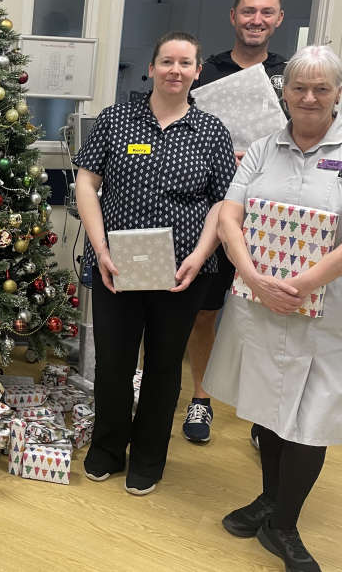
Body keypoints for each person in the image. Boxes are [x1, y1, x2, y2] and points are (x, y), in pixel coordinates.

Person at [204, 45, 342, 572]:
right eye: (299, 88)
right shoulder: (263, 148)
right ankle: (270, 499)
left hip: (331, 310)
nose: (309, 98)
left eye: (321, 88)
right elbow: (229, 217)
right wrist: (252, 276)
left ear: (338, 94)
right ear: (283, 92)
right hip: (263, 301)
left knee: (313, 419)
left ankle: (284, 525)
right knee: (268, 407)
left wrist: (300, 285)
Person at [73, 31, 235, 496]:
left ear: (197, 72)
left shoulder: (211, 132)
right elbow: (86, 183)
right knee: (114, 363)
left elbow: (223, 203)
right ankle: (107, 448)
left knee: (164, 368)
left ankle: (148, 458)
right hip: (116, 269)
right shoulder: (116, 120)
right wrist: (100, 248)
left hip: (182, 274)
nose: (175, 70)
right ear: (151, 68)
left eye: (185, 63)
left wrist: (201, 255)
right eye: (167, 61)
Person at [182, 0, 288, 444]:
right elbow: (181, 134)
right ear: (233, 16)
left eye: (266, 12)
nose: (256, 20)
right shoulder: (205, 73)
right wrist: (224, 157)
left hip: (272, 219)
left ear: (278, 19)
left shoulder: (291, 75)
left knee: (265, 318)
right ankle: (200, 399)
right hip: (212, 211)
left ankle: (264, 415)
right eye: (248, 11)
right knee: (205, 312)